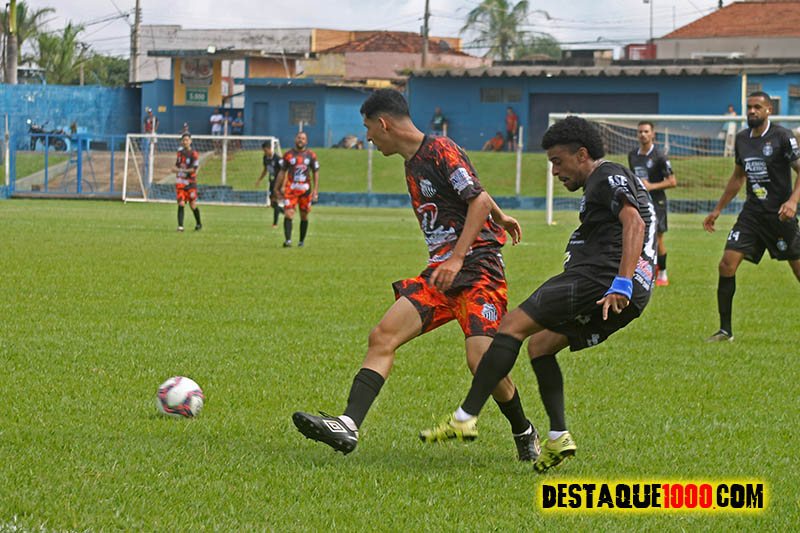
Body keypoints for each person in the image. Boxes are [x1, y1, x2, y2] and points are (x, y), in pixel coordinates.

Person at [292, 88, 541, 462]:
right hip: (441, 276)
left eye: (368, 129)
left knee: (481, 361)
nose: (368, 138)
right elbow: (476, 192)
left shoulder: (440, 149)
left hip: (478, 270)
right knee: (383, 336)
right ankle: (348, 424)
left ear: (383, 124)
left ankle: (524, 430)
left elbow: (475, 198)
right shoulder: (413, 162)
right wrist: (499, 215)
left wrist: (458, 257)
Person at [419, 116, 655, 473]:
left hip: (599, 279)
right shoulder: (611, 179)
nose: (555, 171)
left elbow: (634, 221)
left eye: (558, 162)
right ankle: (558, 437)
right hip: (624, 291)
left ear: (582, 154)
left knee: (510, 326)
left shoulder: (604, 176)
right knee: (540, 346)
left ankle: (465, 417)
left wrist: (621, 282)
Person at [703, 91, 800, 342]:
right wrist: (717, 210)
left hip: (780, 216)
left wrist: (792, 201)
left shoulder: (782, 136)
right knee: (726, 264)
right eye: (749, 107)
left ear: (769, 110)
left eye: (757, 107)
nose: (752, 111)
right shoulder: (742, 139)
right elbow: (738, 177)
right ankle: (725, 331)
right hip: (752, 214)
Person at [628, 121, 677, 286]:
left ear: (653, 134)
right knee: (637, 235)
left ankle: (662, 273)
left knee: (657, 238)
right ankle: (645, 270)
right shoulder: (632, 155)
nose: (643, 134)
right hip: (640, 201)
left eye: (646, 131)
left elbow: (672, 181)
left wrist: (650, 186)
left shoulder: (660, 156)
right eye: (640, 132)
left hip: (657, 201)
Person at [273, 132, 319, 247]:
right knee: (289, 214)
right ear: (295, 139)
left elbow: (316, 172)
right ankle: (288, 240)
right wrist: (276, 187)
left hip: (305, 190)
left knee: (304, 215)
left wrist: (315, 190)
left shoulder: (311, 155)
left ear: (306, 141)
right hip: (291, 189)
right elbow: (282, 172)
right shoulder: (288, 155)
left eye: (303, 138)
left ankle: (301, 241)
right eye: (299, 138)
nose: (300, 140)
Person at [171, 133, 202, 232]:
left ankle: (199, 223)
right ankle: (180, 226)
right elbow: (177, 165)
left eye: (187, 140)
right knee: (181, 203)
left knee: (192, 205)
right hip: (180, 183)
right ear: (181, 141)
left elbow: (193, 169)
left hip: (190, 183)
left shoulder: (194, 154)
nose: (185, 142)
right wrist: (175, 169)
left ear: (190, 141)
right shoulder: (179, 153)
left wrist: (181, 170)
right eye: (183, 140)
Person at [254, 141, 284, 228]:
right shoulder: (265, 158)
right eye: (264, 150)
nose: (265, 152)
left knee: (275, 201)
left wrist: (283, 185)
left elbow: (284, 171)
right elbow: (265, 170)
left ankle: (275, 223)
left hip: (278, 182)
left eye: (266, 150)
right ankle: (286, 213)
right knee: (272, 204)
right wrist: (259, 180)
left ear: (270, 149)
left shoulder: (278, 158)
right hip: (271, 181)